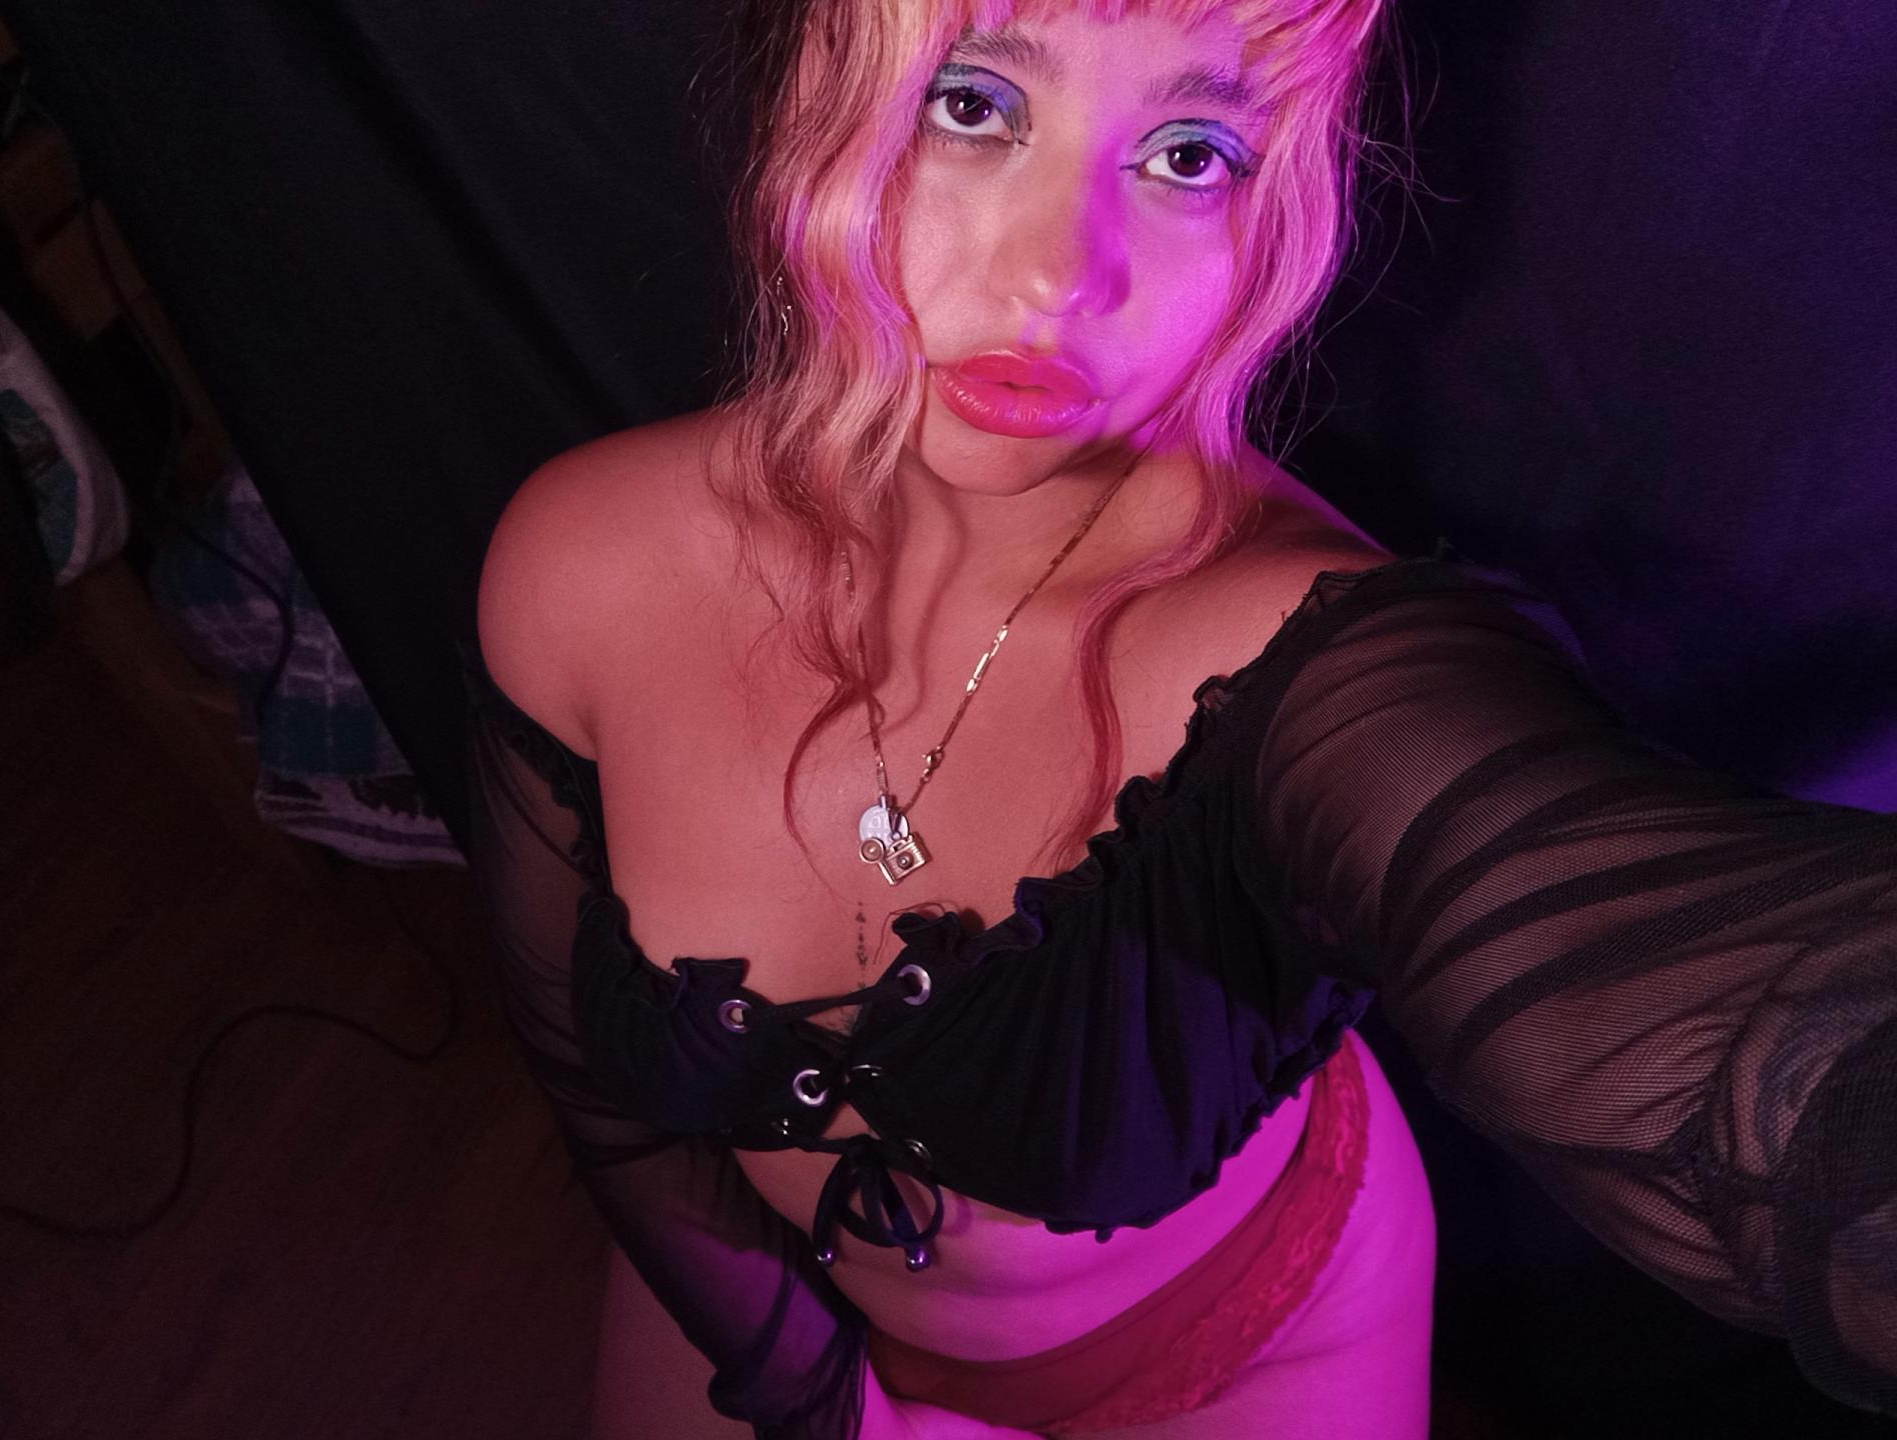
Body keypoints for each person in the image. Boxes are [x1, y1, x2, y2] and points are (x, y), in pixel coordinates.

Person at [458, 1, 1897, 1435]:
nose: (1059, 278)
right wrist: (808, 1385)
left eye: (1190, 155)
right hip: (769, 1314)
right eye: (972, 105)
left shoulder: (1304, 668)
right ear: (804, 85)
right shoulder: (585, 567)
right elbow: (596, 1080)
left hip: (1245, 1351)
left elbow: (1748, 1054)